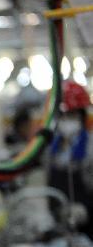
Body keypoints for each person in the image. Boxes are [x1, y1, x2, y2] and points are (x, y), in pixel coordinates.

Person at [48, 80, 92, 238]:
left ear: (82, 116)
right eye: (63, 116)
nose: (67, 121)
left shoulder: (90, 147)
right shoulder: (51, 149)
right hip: (60, 223)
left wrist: (86, 210)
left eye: (72, 115)